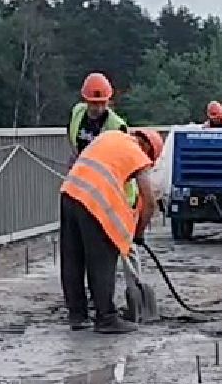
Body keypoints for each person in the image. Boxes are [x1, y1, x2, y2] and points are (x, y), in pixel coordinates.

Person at [60, 127, 164, 334]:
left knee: (73, 258)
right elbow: (150, 201)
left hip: (69, 193)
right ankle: (106, 318)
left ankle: (77, 315)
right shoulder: (137, 153)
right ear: (147, 148)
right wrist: (138, 232)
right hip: (93, 202)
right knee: (102, 260)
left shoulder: (110, 136)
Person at [69, 72, 127, 156]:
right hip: (78, 161)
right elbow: (70, 134)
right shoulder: (77, 112)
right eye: (95, 103)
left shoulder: (117, 126)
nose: (99, 108)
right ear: (86, 100)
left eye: (103, 103)